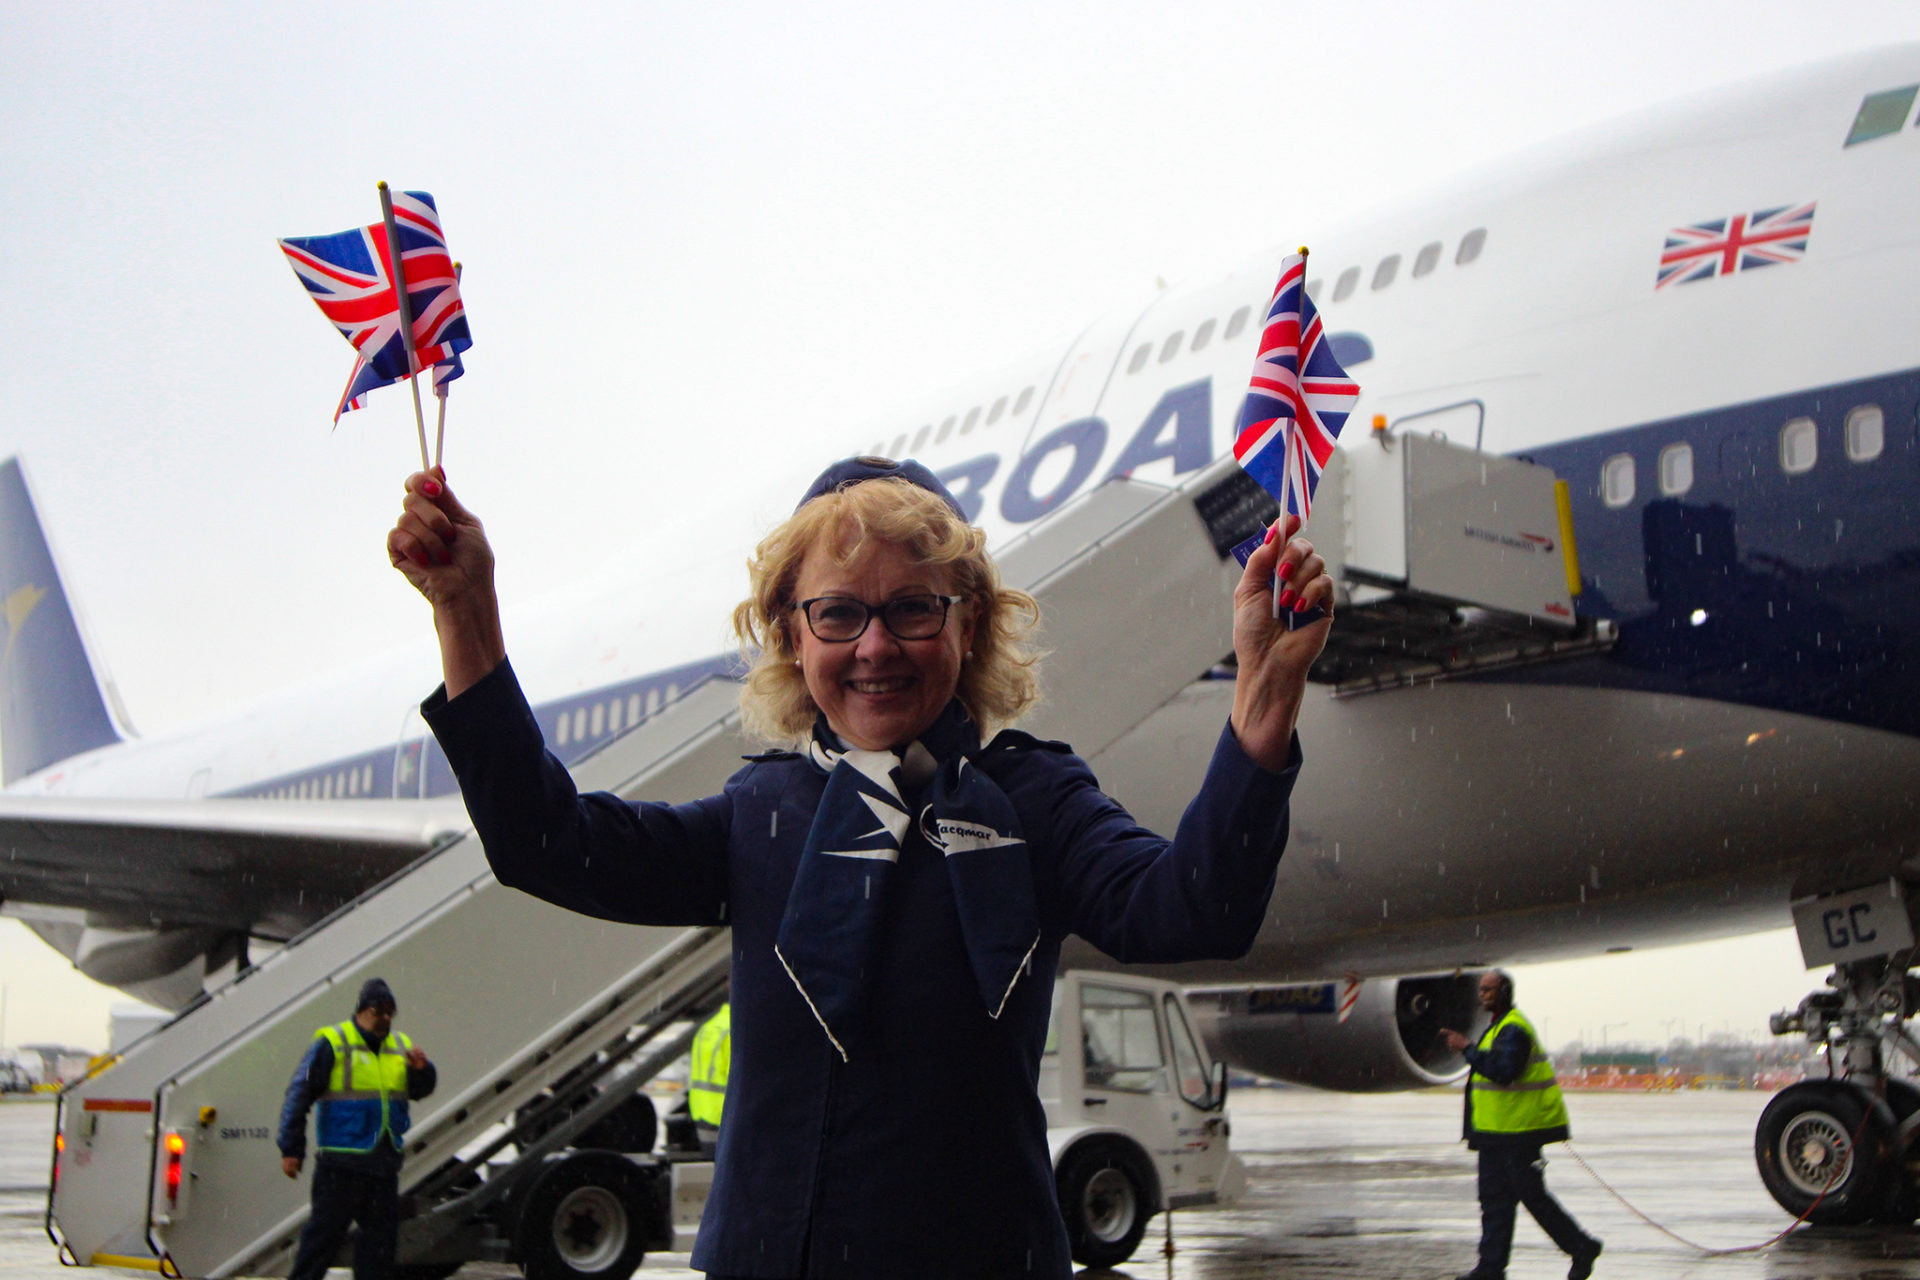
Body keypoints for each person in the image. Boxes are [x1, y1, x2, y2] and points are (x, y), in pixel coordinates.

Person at [387, 455, 1332, 1279]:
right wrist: (468, 617)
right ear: (794, 639)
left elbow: (1192, 913)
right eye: (838, 614)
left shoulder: (1033, 802)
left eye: (913, 608)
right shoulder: (760, 814)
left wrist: (1264, 697)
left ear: (969, 628)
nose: (875, 647)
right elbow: (542, 842)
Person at [1441, 970, 1602, 1280]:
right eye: (1482, 989)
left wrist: (1467, 1049)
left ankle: (1581, 1246)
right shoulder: (1498, 1028)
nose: (1482, 995)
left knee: (1533, 1199)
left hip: (1518, 1134)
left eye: (1488, 990)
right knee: (1494, 1204)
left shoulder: (1513, 1029)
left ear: (1503, 993)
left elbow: (1504, 1071)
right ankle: (1491, 1267)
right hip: (1495, 1135)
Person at [277, 977, 437, 1280]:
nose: (385, 1019)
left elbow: (416, 1091)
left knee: (379, 1251)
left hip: (382, 1164)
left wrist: (422, 1072)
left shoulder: (399, 1046)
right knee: (320, 1244)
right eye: (378, 1011)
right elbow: (299, 1094)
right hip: (341, 1165)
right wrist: (291, 1148)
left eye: (390, 1012)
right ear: (362, 1011)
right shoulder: (334, 1042)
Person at [689, 1002, 731, 1152]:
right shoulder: (736, 1032)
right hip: (723, 1115)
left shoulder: (708, 1027)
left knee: (713, 1168)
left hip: (701, 1110)